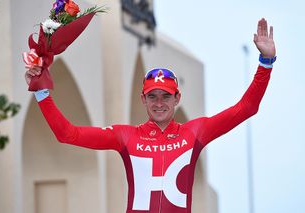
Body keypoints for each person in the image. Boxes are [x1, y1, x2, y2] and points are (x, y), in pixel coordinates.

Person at [25, 18, 276, 213]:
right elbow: (66, 134)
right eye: (152, 96)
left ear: (177, 99)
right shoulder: (125, 136)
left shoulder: (195, 132)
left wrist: (266, 62)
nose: (159, 103)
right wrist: (41, 92)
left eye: (166, 96)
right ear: (142, 99)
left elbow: (246, 107)